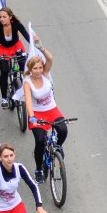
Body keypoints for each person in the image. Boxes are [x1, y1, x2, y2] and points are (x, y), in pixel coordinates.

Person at [24, 52, 70, 182]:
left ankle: (58, 147)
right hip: (37, 113)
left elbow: (50, 58)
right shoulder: (27, 82)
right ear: (30, 69)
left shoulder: (45, 74)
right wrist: (32, 116)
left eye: (40, 68)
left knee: (63, 130)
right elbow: (28, 100)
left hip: (52, 109)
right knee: (39, 141)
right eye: (35, 68)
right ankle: (39, 168)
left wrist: (41, 48)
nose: (38, 71)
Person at [0, 7, 37, 109]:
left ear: (10, 17)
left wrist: (34, 45)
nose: (1, 19)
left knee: (24, 68)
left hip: (16, 46)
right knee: (4, 71)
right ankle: (4, 98)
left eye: (4, 17)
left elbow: (26, 35)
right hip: (2, 48)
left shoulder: (16, 24)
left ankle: (29, 89)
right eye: (0, 17)